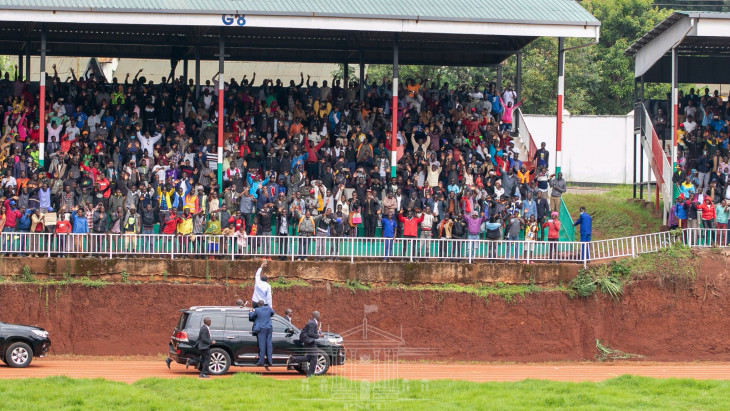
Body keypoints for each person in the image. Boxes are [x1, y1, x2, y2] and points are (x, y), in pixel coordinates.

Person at [289, 310, 322, 377]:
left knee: (309, 358)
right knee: (314, 358)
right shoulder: (313, 323)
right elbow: (310, 333)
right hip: (309, 342)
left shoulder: (313, 322)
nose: (320, 316)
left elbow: (310, 332)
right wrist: (319, 336)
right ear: (316, 315)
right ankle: (310, 374)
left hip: (308, 341)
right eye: (319, 315)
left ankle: (293, 359)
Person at [249, 299, 275, 369]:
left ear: (258, 305)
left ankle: (261, 361)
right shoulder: (268, 308)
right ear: (263, 304)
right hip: (269, 328)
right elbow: (273, 312)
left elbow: (251, 317)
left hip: (261, 329)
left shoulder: (257, 310)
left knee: (262, 345)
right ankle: (270, 361)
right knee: (269, 344)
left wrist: (251, 312)